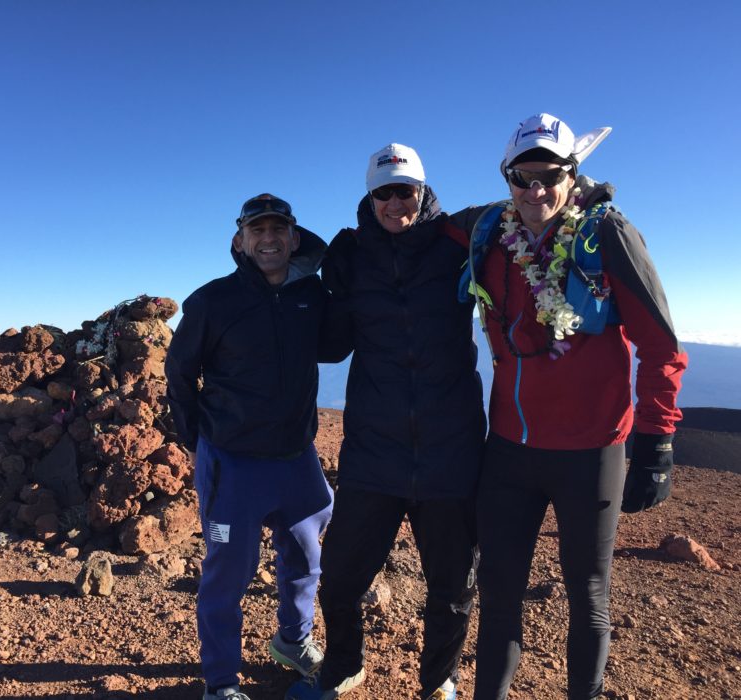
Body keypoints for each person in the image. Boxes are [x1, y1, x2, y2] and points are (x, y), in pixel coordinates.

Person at [446, 113, 688, 700]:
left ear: (572, 175)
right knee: (500, 591)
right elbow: (419, 222)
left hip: (591, 449)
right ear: (507, 178)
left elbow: (660, 344)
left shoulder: (605, 236)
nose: (535, 192)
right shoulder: (489, 230)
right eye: (522, 177)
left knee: (587, 593)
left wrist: (656, 441)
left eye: (549, 176)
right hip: (509, 450)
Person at [287, 144, 486, 700]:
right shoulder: (351, 253)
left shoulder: (457, 239)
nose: (395, 202)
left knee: (451, 586)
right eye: (384, 192)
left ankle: (438, 680)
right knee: (343, 578)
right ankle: (344, 665)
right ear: (369, 197)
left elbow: (518, 214)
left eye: (406, 190)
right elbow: (332, 343)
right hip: (376, 450)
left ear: (422, 192)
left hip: (451, 448)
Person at [165, 194, 335, 700]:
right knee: (228, 572)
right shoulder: (212, 301)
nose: (268, 238)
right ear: (239, 241)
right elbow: (179, 374)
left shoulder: (312, 297)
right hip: (232, 462)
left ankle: (292, 640)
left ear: (294, 238)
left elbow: (337, 345)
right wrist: (197, 440)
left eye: (278, 229)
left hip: (296, 458)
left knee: (306, 558)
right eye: (256, 230)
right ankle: (220, 682)